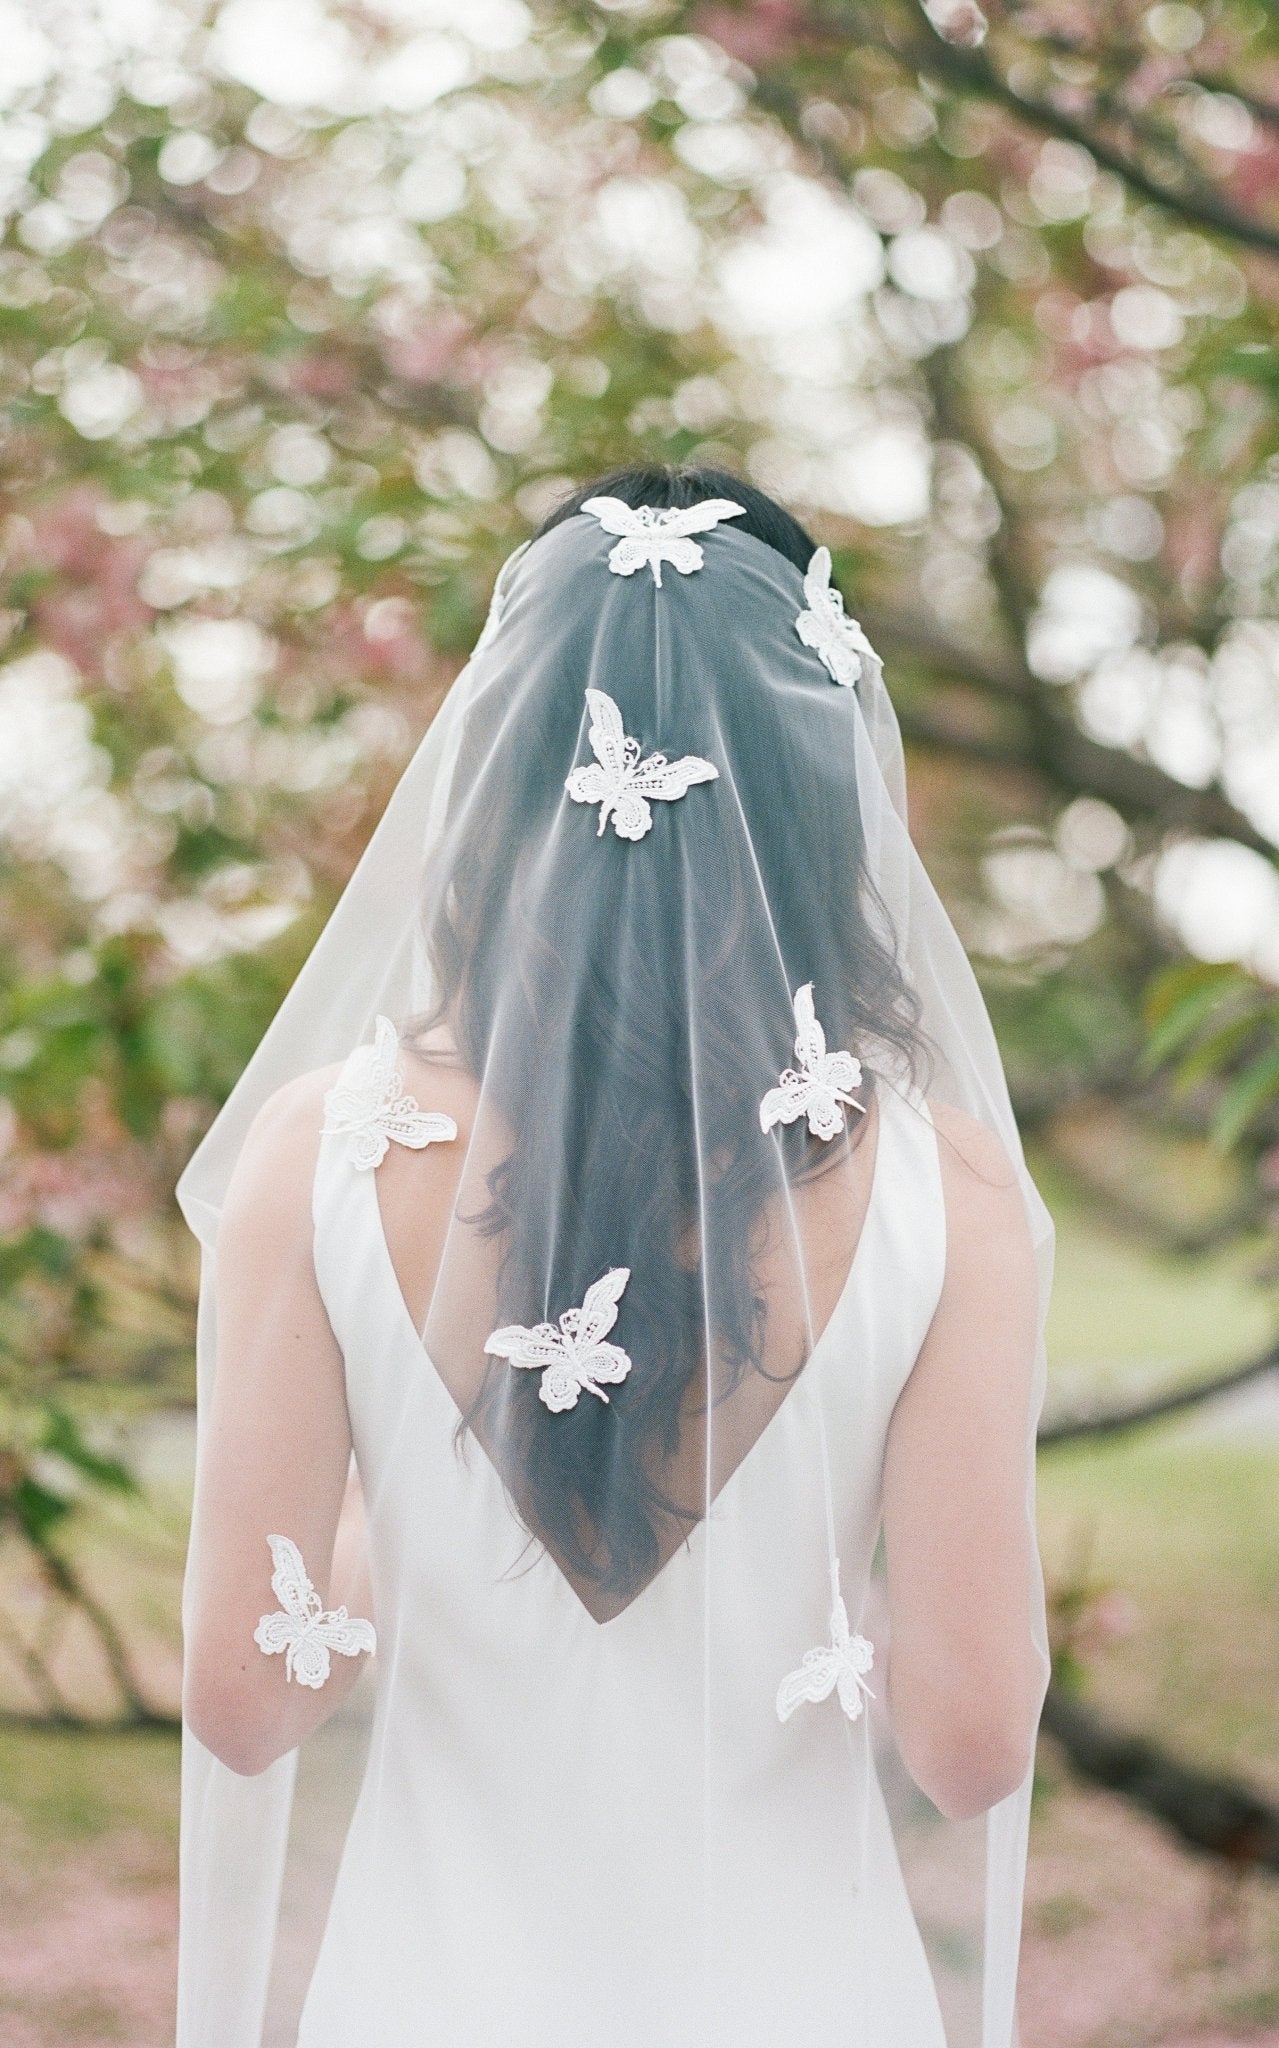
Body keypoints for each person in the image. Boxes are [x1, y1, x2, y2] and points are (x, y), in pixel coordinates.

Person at [176, 465, 1052, 2048]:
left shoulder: (318, 1155)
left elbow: (246, 1710)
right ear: (818, 789)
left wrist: (406, 1473)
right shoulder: (953, 1194)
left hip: (427, 2002)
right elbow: (972, 1747)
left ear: (496, 781)